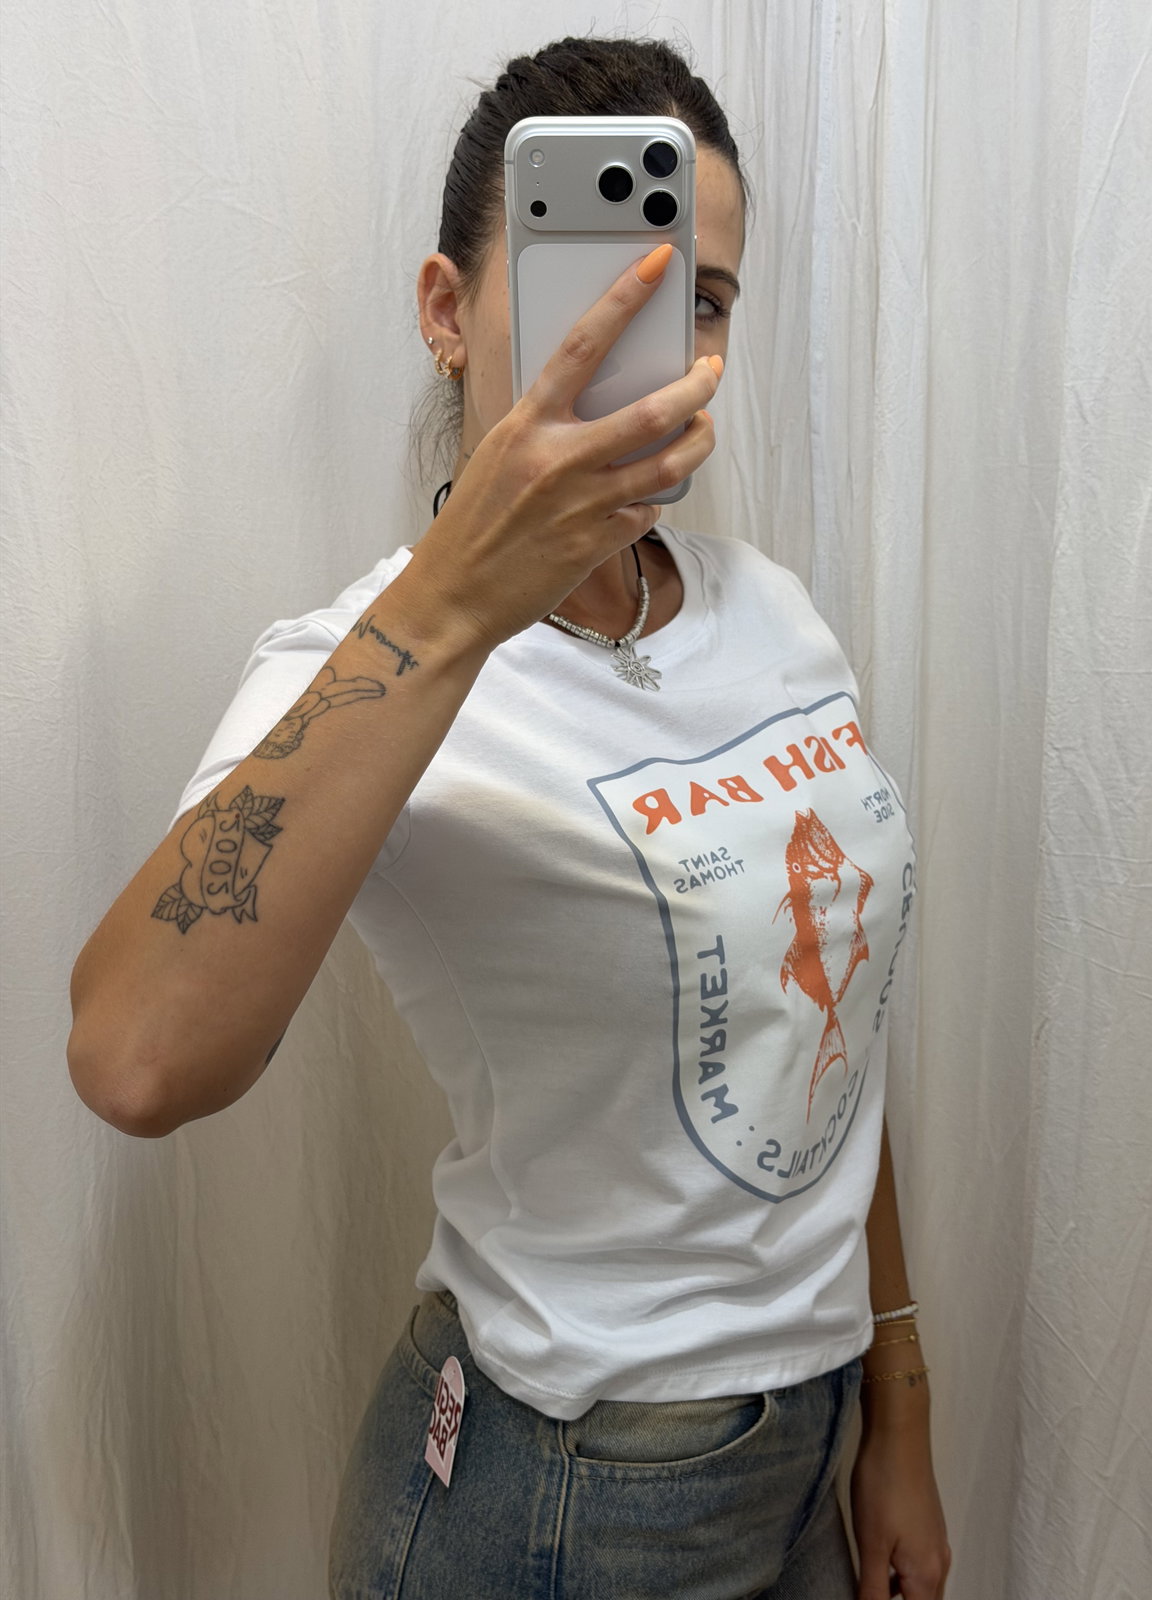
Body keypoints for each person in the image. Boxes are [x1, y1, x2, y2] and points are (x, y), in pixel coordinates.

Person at [67, 35, 952, 1600]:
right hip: (562, 1503)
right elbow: (137, 1057)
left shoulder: (775, 616)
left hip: (805, 1457)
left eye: (702, 303)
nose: (654, 348)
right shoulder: (359, 667)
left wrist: (901, 1401)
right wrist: (458, 601)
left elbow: (835, 1034)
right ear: (445, 310)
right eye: (599, 288)